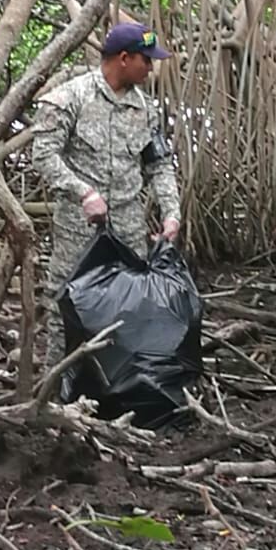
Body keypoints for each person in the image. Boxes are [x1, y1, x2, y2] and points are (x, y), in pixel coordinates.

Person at [32, 22, 182, 370]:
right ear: (124, 58)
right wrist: (83, 192)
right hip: (78, 230)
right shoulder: (70, 98)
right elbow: (44, 155)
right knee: (65, 307)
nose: (151, 67)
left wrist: (172, 212)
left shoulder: (146, 109)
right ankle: (58, 390)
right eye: (146, 60)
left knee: (130, 308)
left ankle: (119, 389)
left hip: (129, 229)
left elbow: (159, 165)